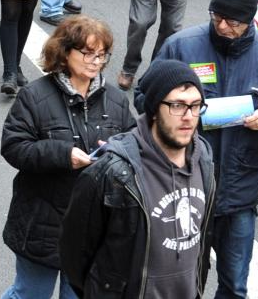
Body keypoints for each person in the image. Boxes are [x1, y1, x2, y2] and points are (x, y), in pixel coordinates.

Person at [148, 0, 258, 298]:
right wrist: (178, 111)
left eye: (232, 22)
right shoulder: (181, 45)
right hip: (185, 189)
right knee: (180, 284)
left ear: (250, 21)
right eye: (216, 17)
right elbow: (145, 97)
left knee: (234, 286)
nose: (222, 27)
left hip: (239, 192)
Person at [0, 16, 136, 299]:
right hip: (42, 221)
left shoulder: (116, 100)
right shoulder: (34, 96)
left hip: (94, 224)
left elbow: (134, 144)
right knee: (30, 294)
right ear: (64, 52)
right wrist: (63, 154)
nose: (95, 61)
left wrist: (117, 151)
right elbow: (14, 146)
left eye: (102, 55)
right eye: (87, 53)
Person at [60, 60, 216, 299]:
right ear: (154, 110)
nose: (189, 116)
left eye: (196, 106)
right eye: (177, 105)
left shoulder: (203, 159)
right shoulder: (113, 172)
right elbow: (75, 253)